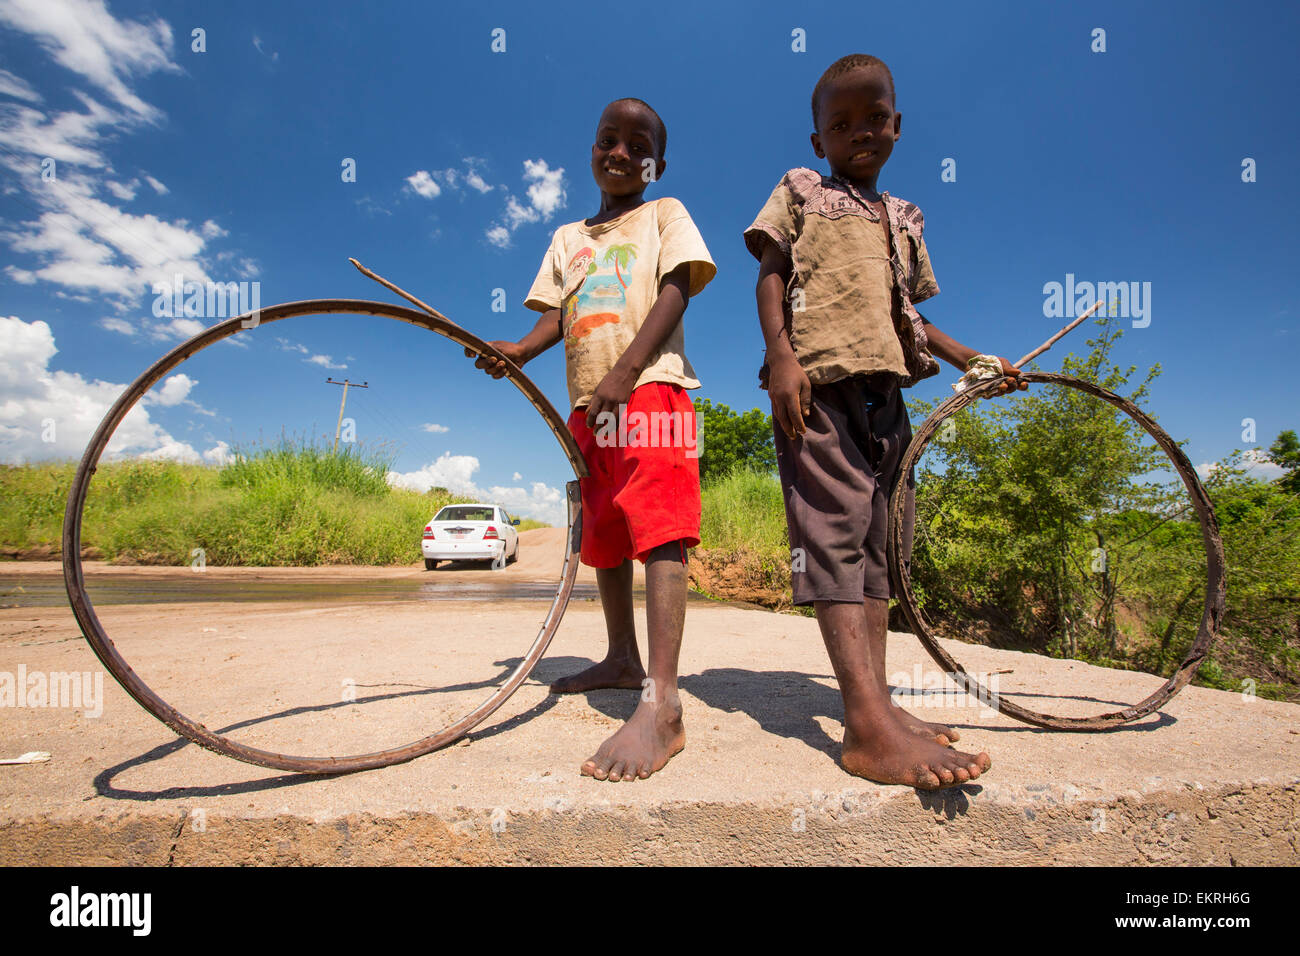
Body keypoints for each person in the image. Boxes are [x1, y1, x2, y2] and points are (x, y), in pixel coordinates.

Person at [744, 54, 1024, 789]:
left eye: (874, 118)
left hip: (886, 395)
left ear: (897, 126)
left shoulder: (904, 217)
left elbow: (910, 317)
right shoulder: (802, 189)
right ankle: (865, 727)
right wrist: (781, 357)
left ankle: (881, 705)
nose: (859, 132)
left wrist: (972, 358)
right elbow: (770, 274)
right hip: (816, 387)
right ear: (817, 141)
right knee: (832, 539)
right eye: (840, 124)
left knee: (875, 550)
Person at [470, 97, 715, 782]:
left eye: (638, 145)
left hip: (651, 387)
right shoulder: (565, 237)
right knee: (605, 530)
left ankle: (663, 704)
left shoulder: (664, 215)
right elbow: (559, 311)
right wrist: (520, 348)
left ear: (656, 164)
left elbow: (677, 291)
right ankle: (620, 657)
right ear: (592, 150)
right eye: (609, 139)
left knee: (659, 526)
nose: (621, 152)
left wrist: (627, 370)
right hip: (588, 404)